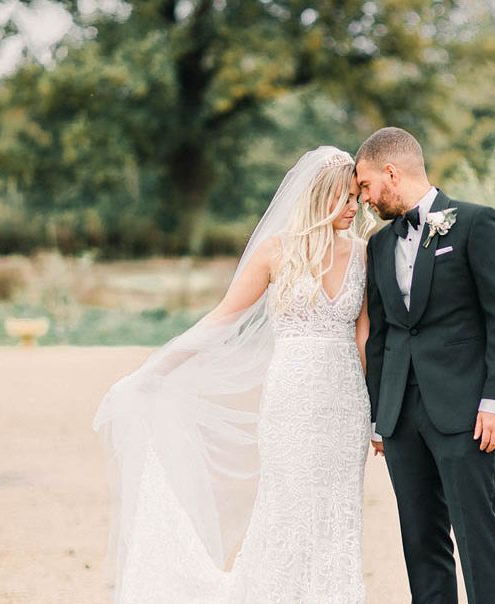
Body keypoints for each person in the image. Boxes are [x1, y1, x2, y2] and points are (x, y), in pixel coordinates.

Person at [92, 146, 376, 603]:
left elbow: (364, 339)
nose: (353, 207)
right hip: (290, 403)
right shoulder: (276, 252)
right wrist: (153, 371)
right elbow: (221, 318)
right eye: (343, 197)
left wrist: (376, 413)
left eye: (355, 198)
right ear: (318, 196)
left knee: (338, 512)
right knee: (286, 509)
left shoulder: (365, 255)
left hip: (345, 408)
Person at [357, 127, 495, 604]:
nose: (365, 199)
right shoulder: (380, 245)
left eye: (366, 186)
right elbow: (384, 335)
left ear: (392, 172)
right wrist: (379, 417)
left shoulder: (476, 223)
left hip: (467, 413)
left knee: (477, 536)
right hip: (402, 419)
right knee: (421, 542)